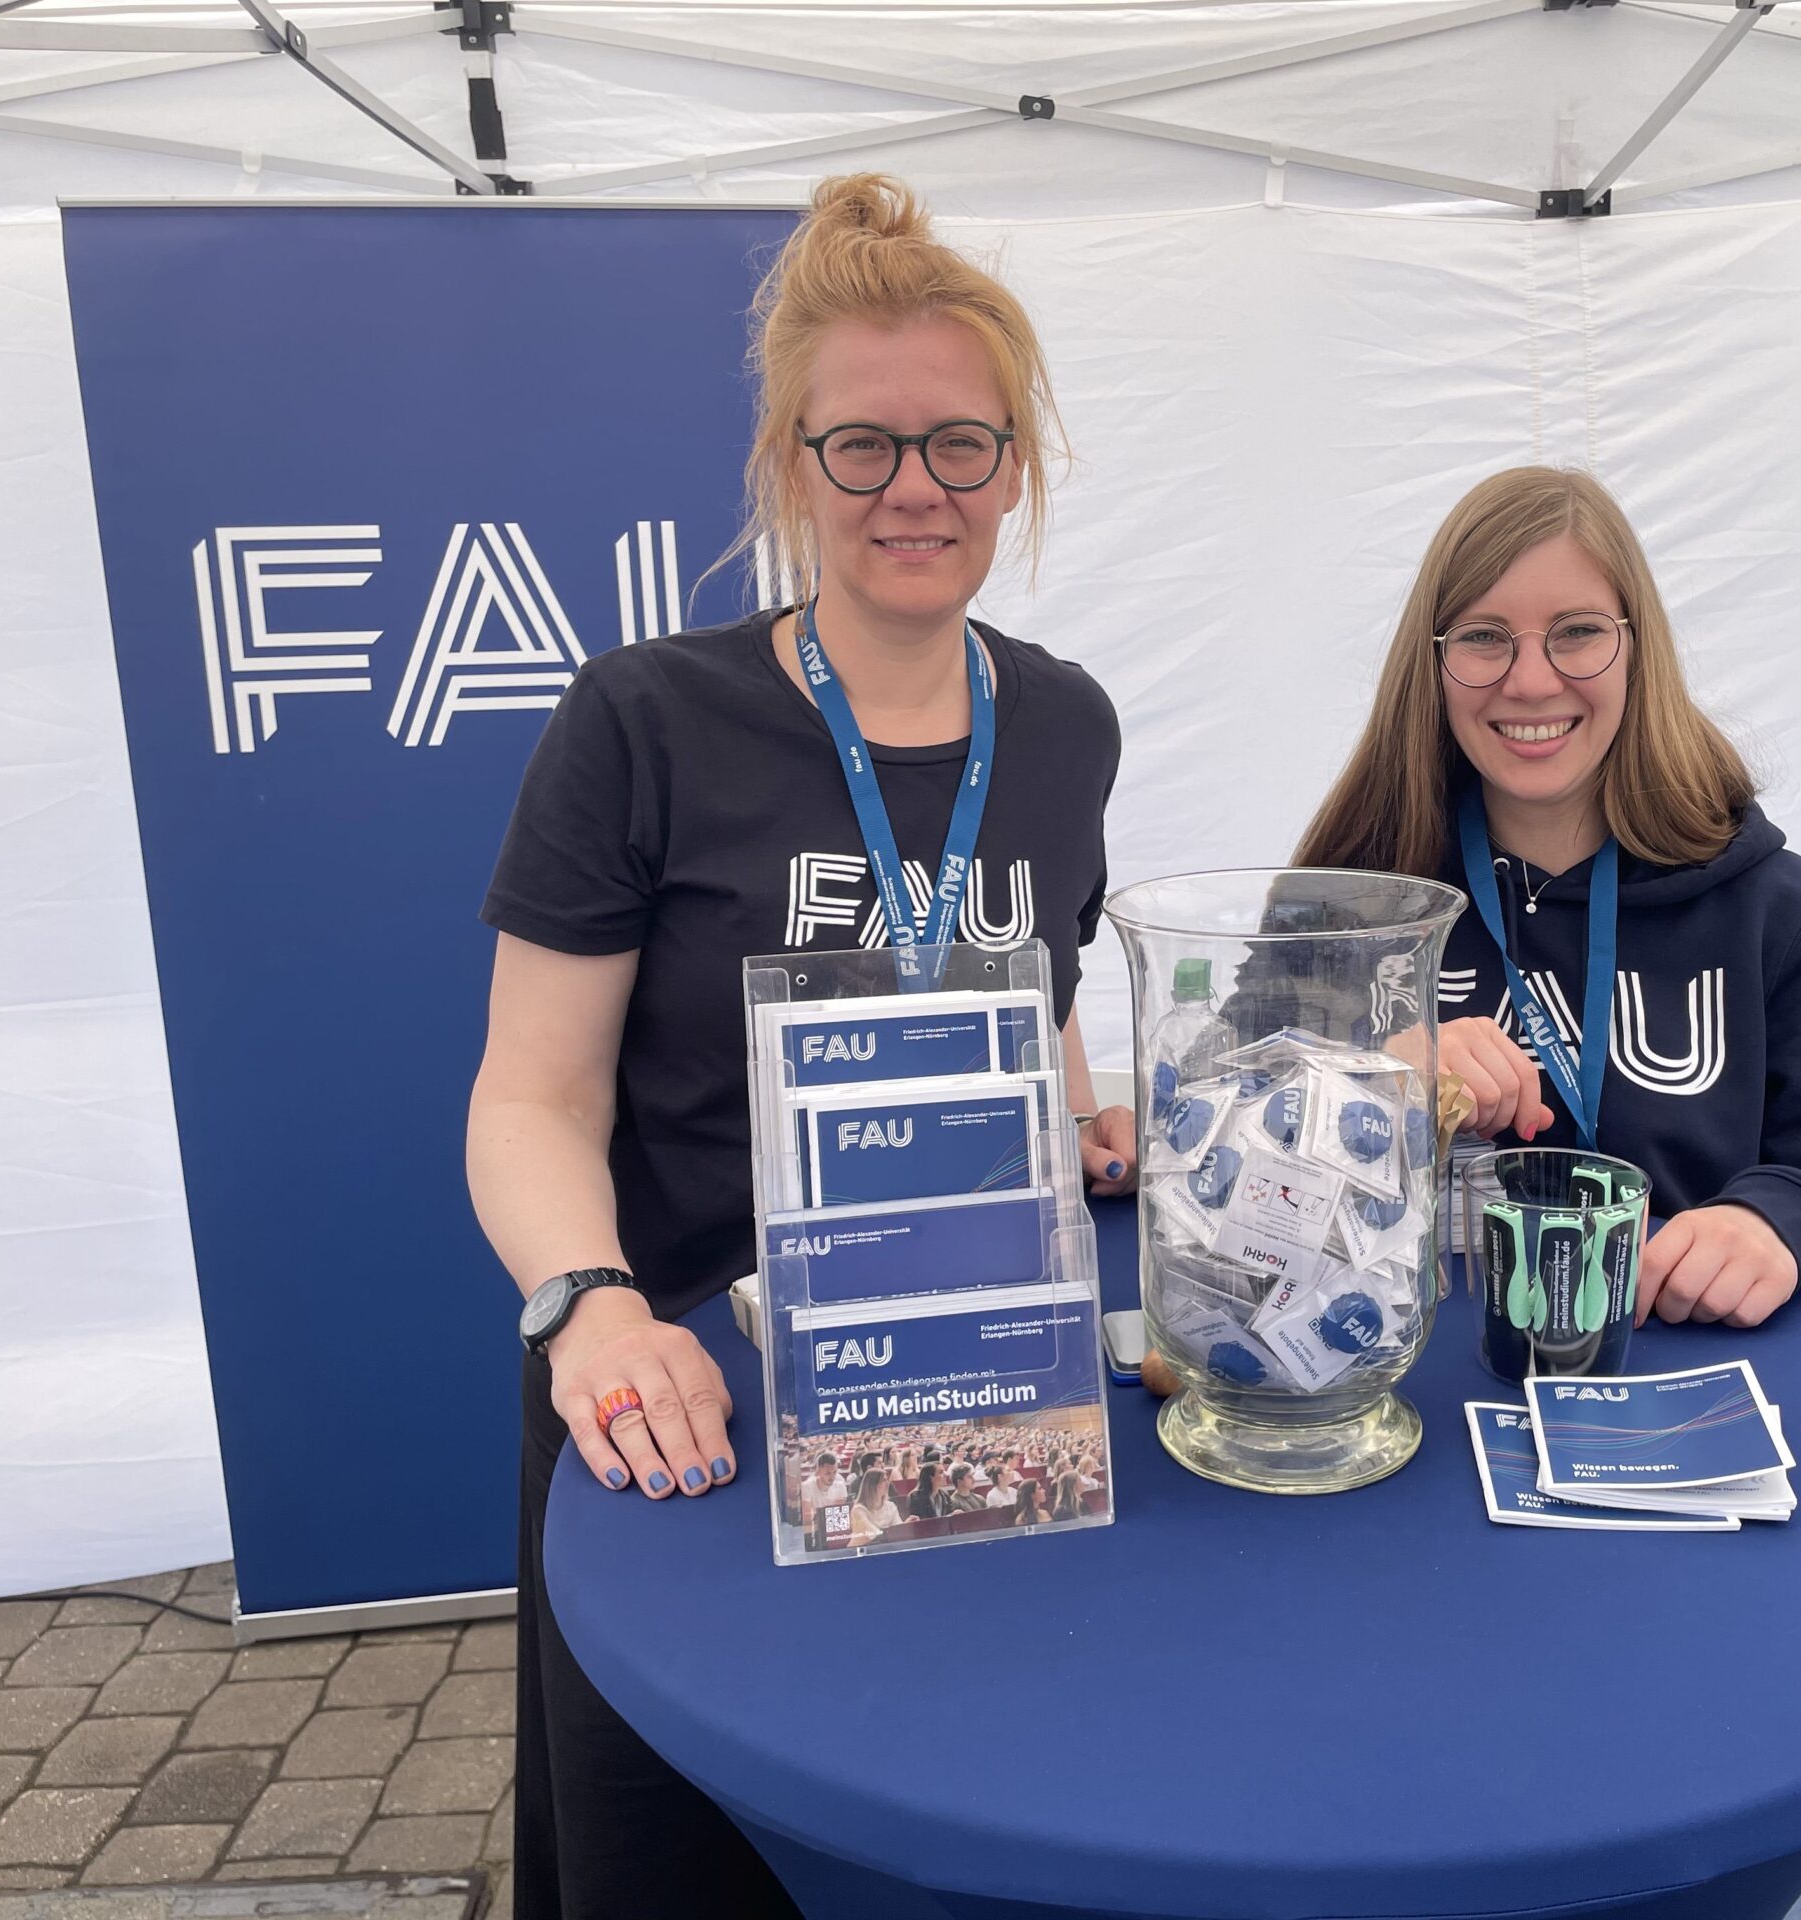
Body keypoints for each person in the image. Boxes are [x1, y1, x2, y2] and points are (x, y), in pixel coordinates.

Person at [466, 170, 1138, 1920]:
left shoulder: (1064, 724)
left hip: (975, 1391)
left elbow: (1034, 998)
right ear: (792, 462)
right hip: (695, 1414)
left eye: (960, 446)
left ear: (1019, 462)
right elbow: (529, 1098)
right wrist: (589, 1310)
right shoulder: (644, 720)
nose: (914, 487)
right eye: (864, 446)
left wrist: (1081, 1118)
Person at [1294, 465, 1801, 1325]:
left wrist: (1776, 1219)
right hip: (1390, 1385)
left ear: (1636, 647)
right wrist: (1367, 1081)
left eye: (1578, 632)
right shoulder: (1345, 901)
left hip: (1664, 1394)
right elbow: (1208, 1164)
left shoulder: (1771, 911)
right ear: (1434, 662)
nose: (1530, 681)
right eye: (1485, 637)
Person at [848, 1465, 901, 1545]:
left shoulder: (891, 1506)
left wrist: (906, 1525)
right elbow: (874, 1534)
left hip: (883, 1548)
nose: (888, 1483)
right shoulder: (858, 1510)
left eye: (887, 1479)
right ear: (873, 1485)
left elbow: (899, 1531)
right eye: (883, 1480)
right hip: (861, 1551)